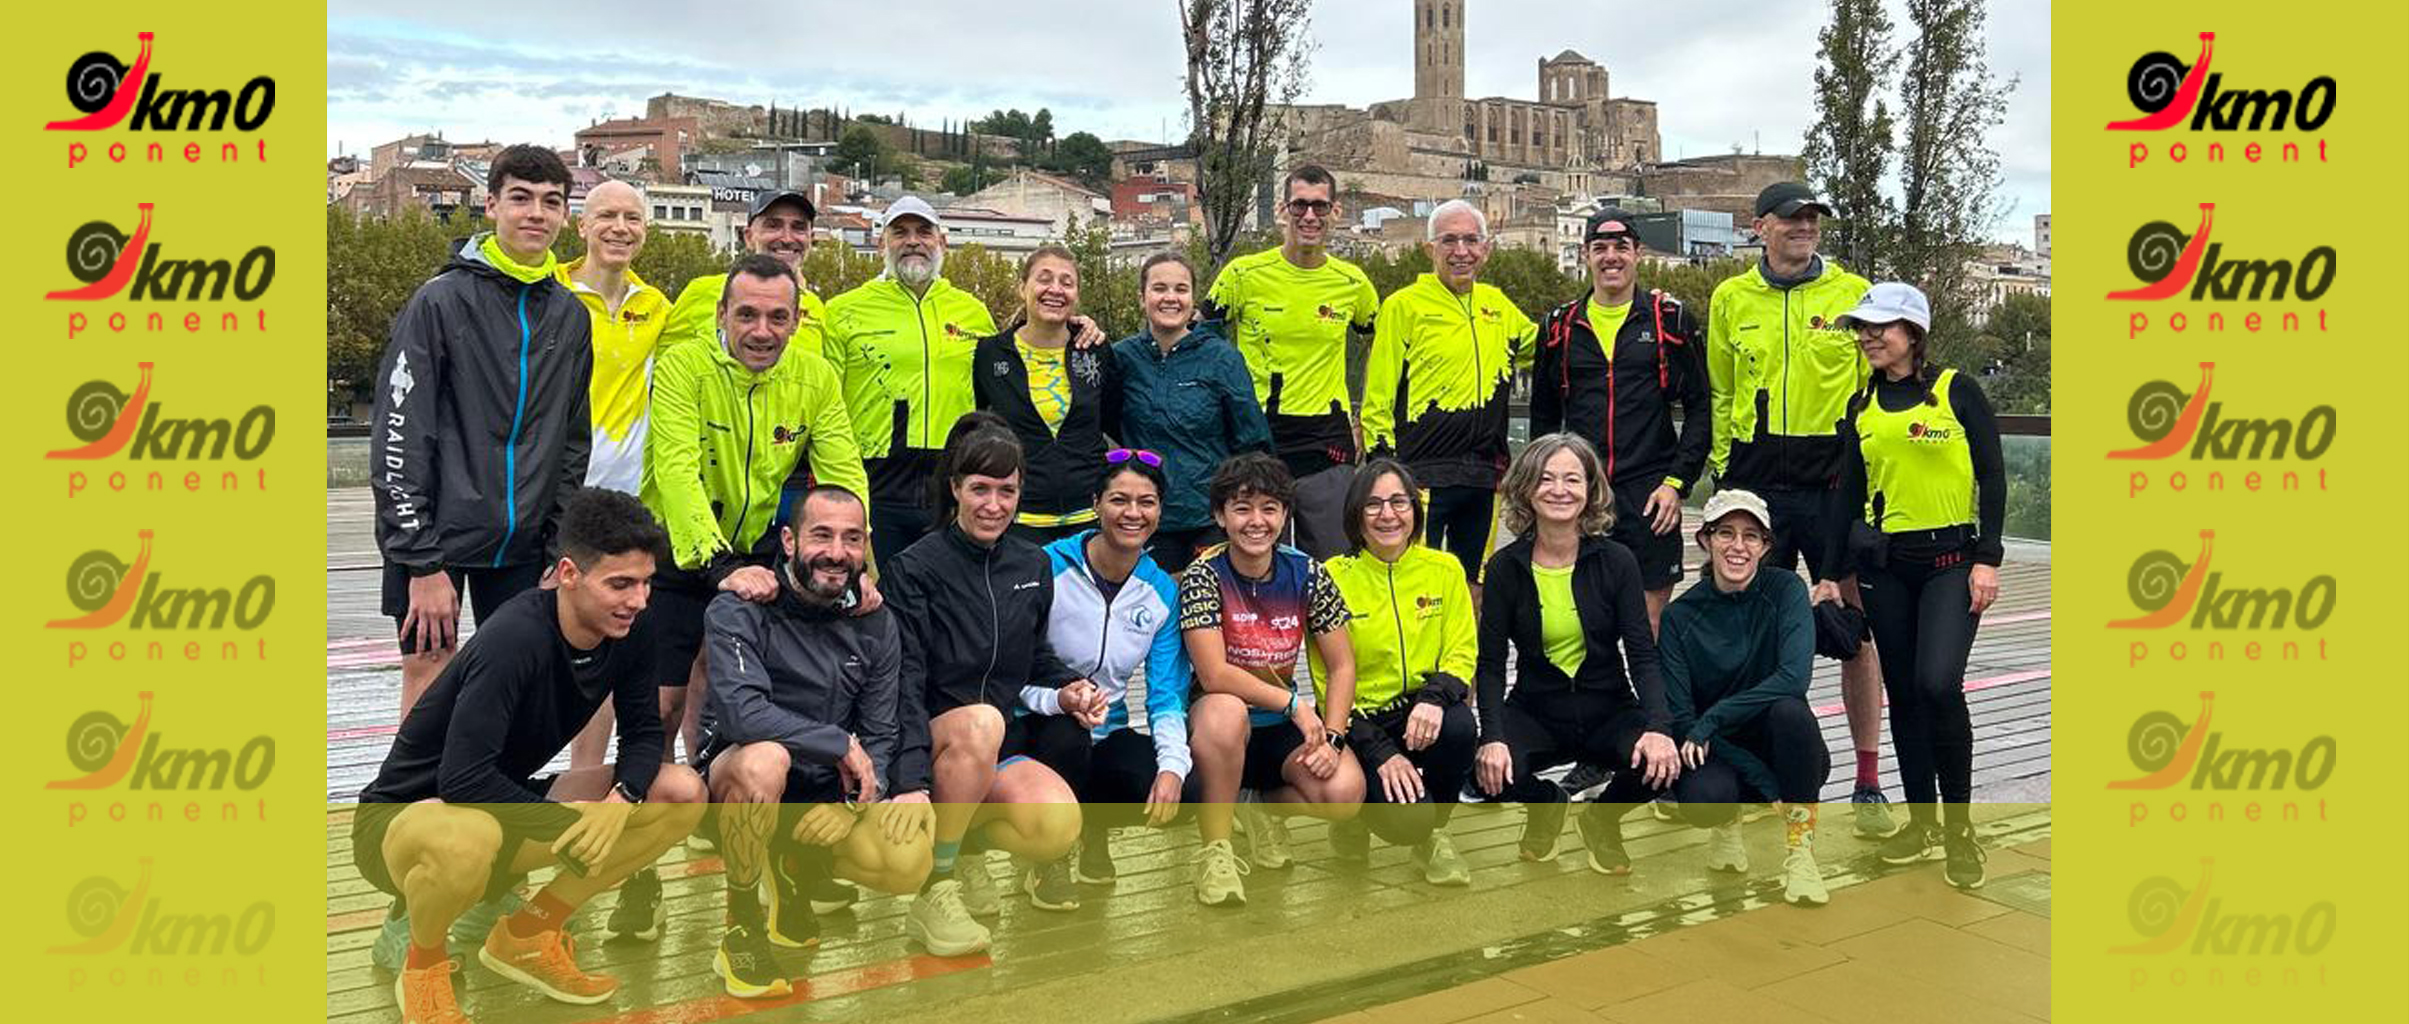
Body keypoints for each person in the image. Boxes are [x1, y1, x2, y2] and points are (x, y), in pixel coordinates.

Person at [351, 489, 707, 1024]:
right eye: (620, 584)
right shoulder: (516, 636)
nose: (637, 599)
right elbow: (462, 779)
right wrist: (571, 821)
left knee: (680, 792)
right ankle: (422, 966)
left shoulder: (633, 629)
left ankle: (530, 934)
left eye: (645, 583)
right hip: (404, 822)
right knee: (470, 837)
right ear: (568, 574)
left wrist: (623, 800)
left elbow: (641, 734)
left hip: (499, 808)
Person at [625, 253, 873, 939]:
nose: (761, 330)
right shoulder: (682, 368)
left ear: (796, 320)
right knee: (664, 705)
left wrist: (862, 568)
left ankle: (755, 833)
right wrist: (717, 566)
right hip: (678, 548)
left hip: (759, 544)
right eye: (747, 315)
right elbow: (673, 469)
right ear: (720, 316)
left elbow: (844, 470)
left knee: (766, 695)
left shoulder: (815, 375)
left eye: (777, 317)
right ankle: (638, 874)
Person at [371, 143, 591, 723]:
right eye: (520, 199)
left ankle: (496, 807)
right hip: (437, 537)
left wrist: (556, 547)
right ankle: (411, 808)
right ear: (491, 205)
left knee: (513, 681)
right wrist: (420, 563)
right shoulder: (439, 301)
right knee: (430, 665)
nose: (535, 214)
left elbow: (573, 443)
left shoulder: (570, 316)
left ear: (566, 215)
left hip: (523, 547)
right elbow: (399, 435)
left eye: (551, 202)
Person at [1706, 181, 1894, 839]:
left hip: (1832, 484)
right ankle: (1754, 774)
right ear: (1759, 227)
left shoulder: (1851, 294)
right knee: (1748, 634)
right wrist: (1724, 481)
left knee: (1853, 629)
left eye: (1812, 219)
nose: (1804, 228)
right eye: (1791, 219)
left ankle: (1867, 780)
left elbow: (1879, 389)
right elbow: (1721, 392)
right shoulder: (1731, 299)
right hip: (1757, 483)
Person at [697, 485, 935, 997]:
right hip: (738, 780)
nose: (836, 552)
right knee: (765, 760)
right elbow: (742, 716)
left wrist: (851, 805)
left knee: (907, 861)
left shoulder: (875, 622)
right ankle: (740, 924)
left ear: (867, 546)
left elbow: (881, 731)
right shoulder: (740, 607)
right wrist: (836, 743)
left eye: (852, 539)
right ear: (788, 540)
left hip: (821, 785)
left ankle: (791, 865)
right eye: (821, 535)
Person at [882, 416, 1098, 954]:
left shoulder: (1031, 563)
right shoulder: (914, 568)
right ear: (955, 488)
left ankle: (964, 848)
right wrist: (907, 779)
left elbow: (1034, 657)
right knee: (982, 721)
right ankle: (936, 886)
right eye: (980, 489)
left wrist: (1070, 687)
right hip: (930, 745)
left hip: (991, 747)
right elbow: (901, 682)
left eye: (1007, 491)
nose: (994, 505)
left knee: (1056, 826)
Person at [1817, 282, 2004, 891]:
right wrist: (1826, 572)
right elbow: (1847, 494)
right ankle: (1922, 823)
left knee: (1937, 685)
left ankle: (1959, 829)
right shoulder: (1862, 404)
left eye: (1881, 327)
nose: (1869, 337)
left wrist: (1989, 557)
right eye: (1862, 329)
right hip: (1887, 567)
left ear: (1913, 333)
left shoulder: (1954, 391)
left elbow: (1993, 474)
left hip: (1953, 561)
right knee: (1903, 691)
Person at [1471, 434, 1677, 875]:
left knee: (1663, 762)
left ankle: (1603, 820)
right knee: (1483, 774)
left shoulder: (1617, 561)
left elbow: (1642, 655)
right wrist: (1491, 736)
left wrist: (1659, 727)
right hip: (1536, 710)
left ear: (1590, 490)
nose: (1559, 490)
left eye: (1572, 479)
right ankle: (1547, 805)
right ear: (1527, 488)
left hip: (1608, 709)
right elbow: (1489, 666)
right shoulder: (1506, 567)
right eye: (1546, 478)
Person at [1011, 450, 1201, 905]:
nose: (1132, 513)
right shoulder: (1046, 567)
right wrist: (1060, 699)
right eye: (1119, 499)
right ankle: (1048, 858)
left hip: (1108, 726)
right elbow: (1012, 666)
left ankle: (1091, 831)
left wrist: (1173, 767)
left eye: (1147, 502)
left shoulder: (1161, 591)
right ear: (1096, 503)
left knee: (1189, 789)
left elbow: (1166, 694)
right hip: (1039, 720)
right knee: (1067, 739)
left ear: (1160, 511)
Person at [1180, 452, 1363, 905]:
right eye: (1242, 508)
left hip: (1280, 728)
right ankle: (1215, 850)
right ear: (1220, 516)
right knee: (1224, 712)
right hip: (1221, 723)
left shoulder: (1307, 573)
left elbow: (1342, 664)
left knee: (1344, 793)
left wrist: (1335, 737)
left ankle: (1258, 808)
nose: (1256, 521)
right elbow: (1213, 672)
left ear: (1285, 515)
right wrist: (1293, 704)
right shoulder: (1204, 575)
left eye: (1269, 508)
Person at [1534, 207, 1709, 630]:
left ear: (1637, 253)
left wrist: (1677, 483)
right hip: (1583, 492)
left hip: (1650, 494)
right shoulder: (1559, 326)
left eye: (1621, 247)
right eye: (1600, 248)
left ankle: (1648, 700)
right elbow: (1543, 417)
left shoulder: (1670, 320)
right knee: (1582, 619)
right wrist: (1544, 486)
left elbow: (1702, 408)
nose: (1611, 257)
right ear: (1585, 255)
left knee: (1648, 622)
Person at [1659, 489, 1833, 907]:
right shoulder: (1678, 617)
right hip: (1717, 748)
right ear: (1705, 540)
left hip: (1771, 733)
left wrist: (1715, 717)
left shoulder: (1787, 589)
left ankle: (1801, 852)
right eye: (1726, 533)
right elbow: (1684, 719)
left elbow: (1794, 677)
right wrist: (1761, 779)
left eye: (1751, 536)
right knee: (1704, 802)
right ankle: (1727, 824)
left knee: (1793, 714)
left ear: (1766, 546)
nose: (1738, 546)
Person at [1201, 164, 1380, 559]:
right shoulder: (1243, 275)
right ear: (1283, 209)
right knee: (1258, 560)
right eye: (1300, 205)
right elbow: (1197, 339)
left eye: (1320, 206)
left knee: (1336, 562)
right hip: (1258, 434)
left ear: (1335, 212)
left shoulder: (1352, 283)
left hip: (1327, 438)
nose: (1310, 216)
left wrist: (1364, 418)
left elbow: (1382, 348)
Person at [1361, 199, 1537, 590]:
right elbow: (1378, 393)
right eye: (1449, 241)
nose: (1462, 251)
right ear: (1430, 249)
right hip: (1420, 474)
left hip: (1483, 474)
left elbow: (1549, 346)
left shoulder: (1498, 306)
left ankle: (1467, 654)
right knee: (1414, 584)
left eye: (1472, 240)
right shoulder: (1403, 306)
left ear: (1486, 249)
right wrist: (1382, 465)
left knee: (1473, 586)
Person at [1320, 459, 1479, 885]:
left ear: (1415, 508)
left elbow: (1462, 651)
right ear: (1355, 513)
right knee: (1404, 821)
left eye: (1398, 502)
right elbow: (1325, 682)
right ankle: (1353, 820)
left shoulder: (1444, 569)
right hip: (1362, 722)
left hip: (1422, 710)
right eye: (1372, 504)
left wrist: (1433, 699)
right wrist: (1378, 751)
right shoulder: (1332, 577)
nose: (1387, 514)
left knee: (1460, 727)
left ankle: (1435, 836)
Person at [561, 180, 667, 774]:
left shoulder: (656, 306)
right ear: (582, 225)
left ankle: (586, 778)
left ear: (644, 231)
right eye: (606, 215)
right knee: (530, 637)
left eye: (632, 217)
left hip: (621, 501)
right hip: (552, 496)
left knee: (599, 644)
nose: (619, 227)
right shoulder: (550, 292)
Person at [826, 197, 997, 562]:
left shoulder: (972, 311)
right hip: (874, 480)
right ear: (881, 244)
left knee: (943, 601)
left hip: (951, 481)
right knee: (874, 601)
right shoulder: (842, 310)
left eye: (924, 232)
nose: (913, 241)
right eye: (900, 232)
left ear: (942, 242)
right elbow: (824, 403)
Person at [1112, 251, 1272, 571]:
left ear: (1192, 299)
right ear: (1142, 298)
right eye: (1159, 288)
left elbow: (1252, 440)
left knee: (1210, 613)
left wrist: (1244, 509)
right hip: (1144, 518)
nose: (1170, 298)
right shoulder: (1120, 358)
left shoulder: (1222, 359)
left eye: (1181, 289)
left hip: (1208, 517)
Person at [975, 245, 1122, 545]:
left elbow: (1115, 421)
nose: (1055, 289)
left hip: (1090, 519)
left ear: (1076, 295)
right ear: (1022, 288)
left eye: (1067, 283)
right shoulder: (990, 354)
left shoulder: (1094, 349)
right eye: (1044, 279)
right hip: (1018, 520)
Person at [659, 189, 830, 360]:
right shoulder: (701, 291)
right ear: (748, 237)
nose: (787, 238)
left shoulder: (816, 307)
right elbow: (665, 363)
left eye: (798, 228)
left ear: (810, 239)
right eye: (773, 225)